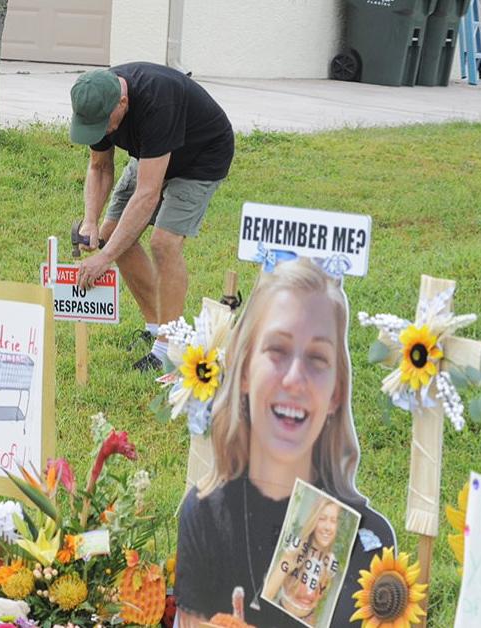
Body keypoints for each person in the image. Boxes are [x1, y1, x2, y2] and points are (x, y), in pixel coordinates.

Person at [174, 258, 395, 628]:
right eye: (277, 350)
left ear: (337, 392)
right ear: (244, 371)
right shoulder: (206, 517)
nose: (295, 378)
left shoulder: (366, 540)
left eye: (317, 358)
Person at [68, 62, 234, 371]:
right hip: (151, 156)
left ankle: (169, 346)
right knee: (114, 232)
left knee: (163, 243)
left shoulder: (158, 100)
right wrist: (91, 220)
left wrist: (104, 258)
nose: (102, 132)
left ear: (123, 102)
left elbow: (147, 194)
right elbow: (99, 166)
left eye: (105, 124)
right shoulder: (97, 100)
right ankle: (156, 327)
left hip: (201, 157)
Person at [263, 498, 345, 626]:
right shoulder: (296, 549)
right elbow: (268, 594)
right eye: (322, 519)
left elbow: (317, 601)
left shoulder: (331, 562)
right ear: (314, 520)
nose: (328, 527)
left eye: (333, 521)